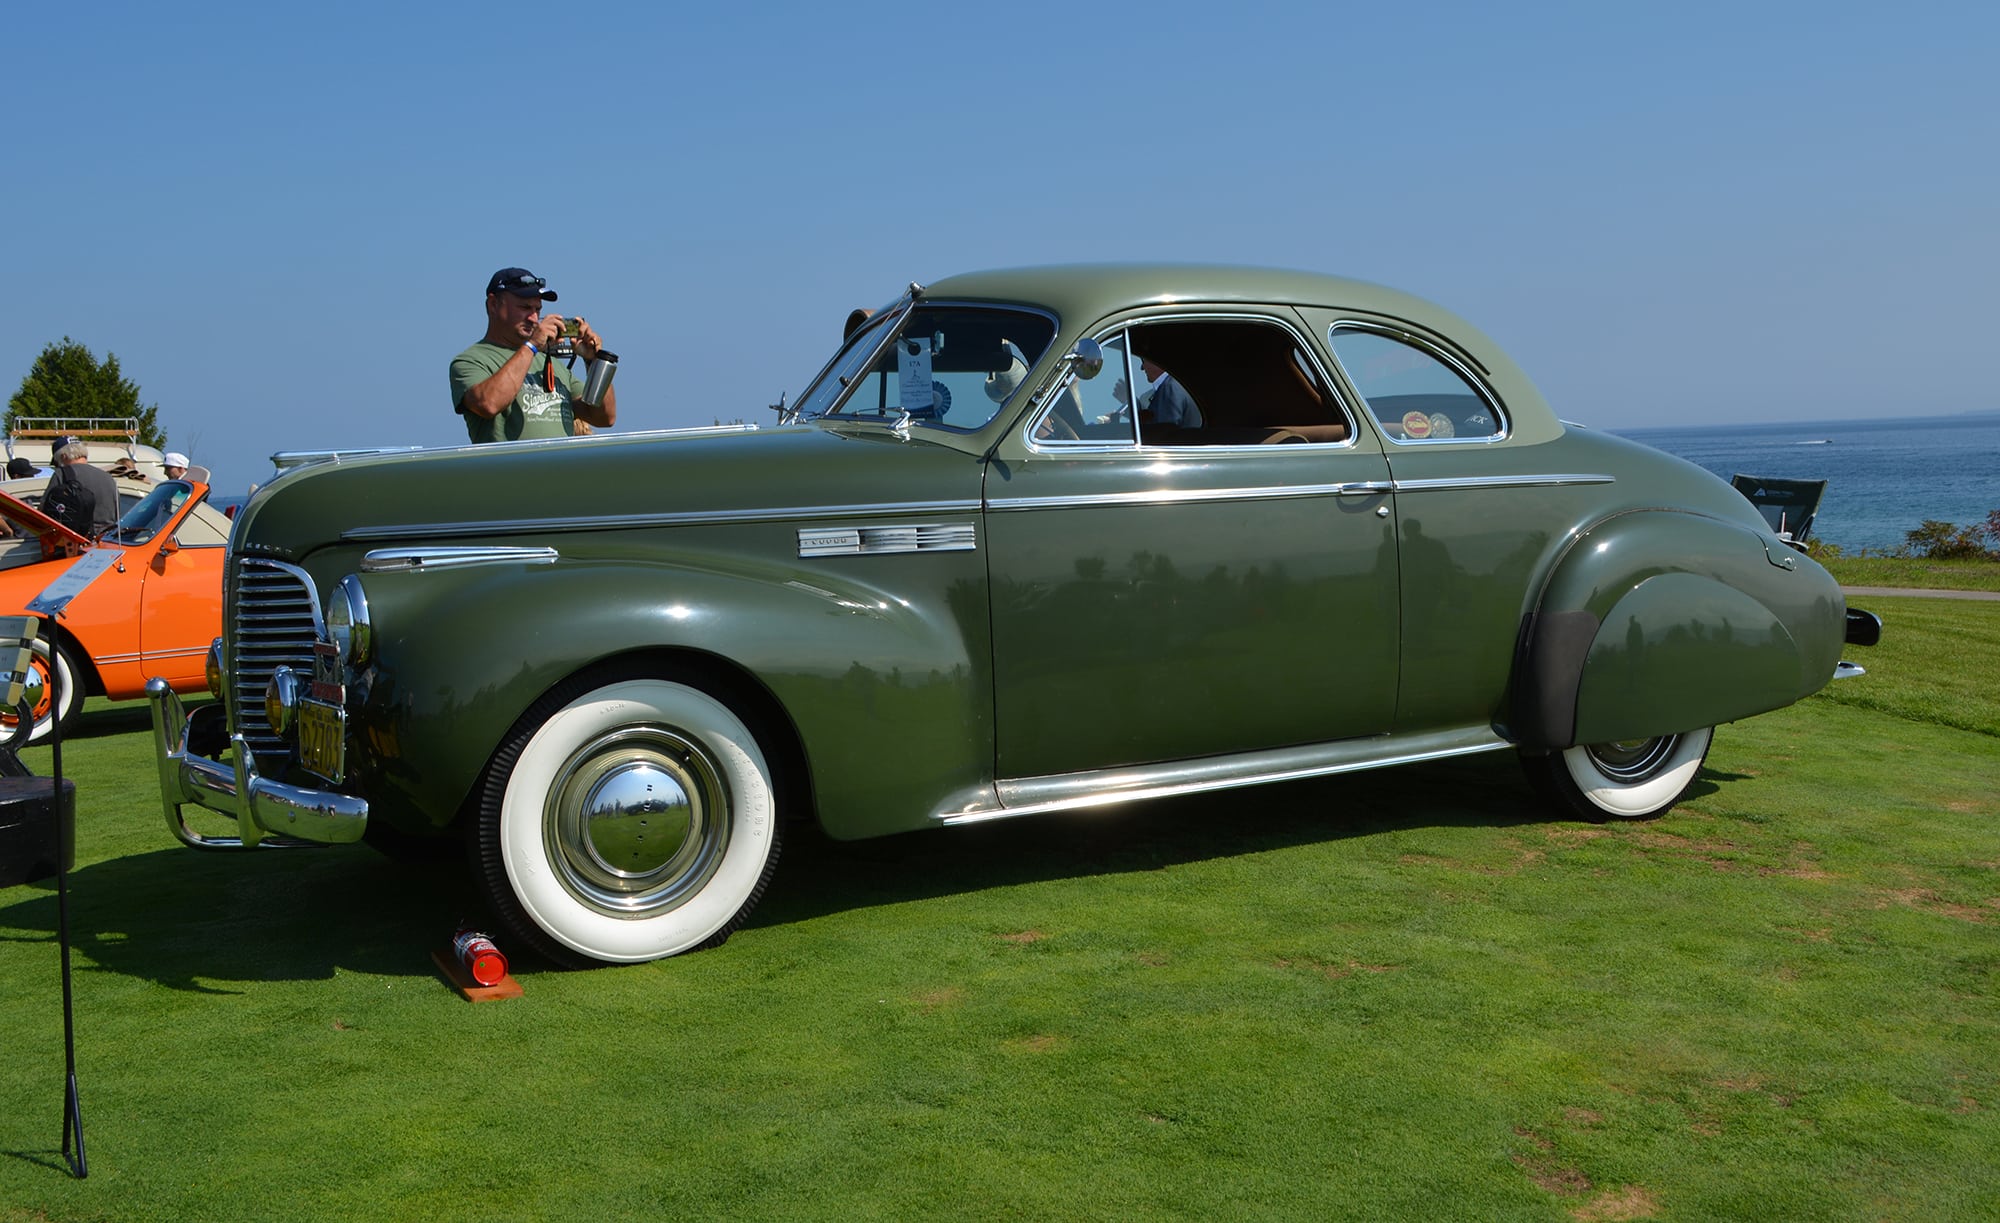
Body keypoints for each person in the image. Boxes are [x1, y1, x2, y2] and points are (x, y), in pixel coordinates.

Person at [449, 267, 617, 444]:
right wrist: (532, 346)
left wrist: (593, 361)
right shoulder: (471, 360)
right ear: (493, 305)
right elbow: (488, 404)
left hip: (559, 471)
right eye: (525, 308)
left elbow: (604, 417)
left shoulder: (551, 363)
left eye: (537, 309)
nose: (533, 317)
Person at [41, 435, 119, 539]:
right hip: (108, 539)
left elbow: (44, 510)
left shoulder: (62, 474)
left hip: (78, 541)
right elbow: (117, 511)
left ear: (63, 457)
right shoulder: (108, 477)